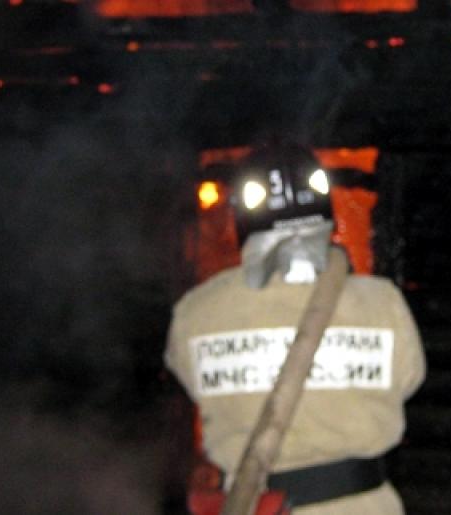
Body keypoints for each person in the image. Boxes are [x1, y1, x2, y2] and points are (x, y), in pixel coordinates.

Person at [165, 143, 426, 514]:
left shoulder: (196, 312)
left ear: (241, 215)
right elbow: (408, 381)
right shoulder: (383, 304)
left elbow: (189, 380)